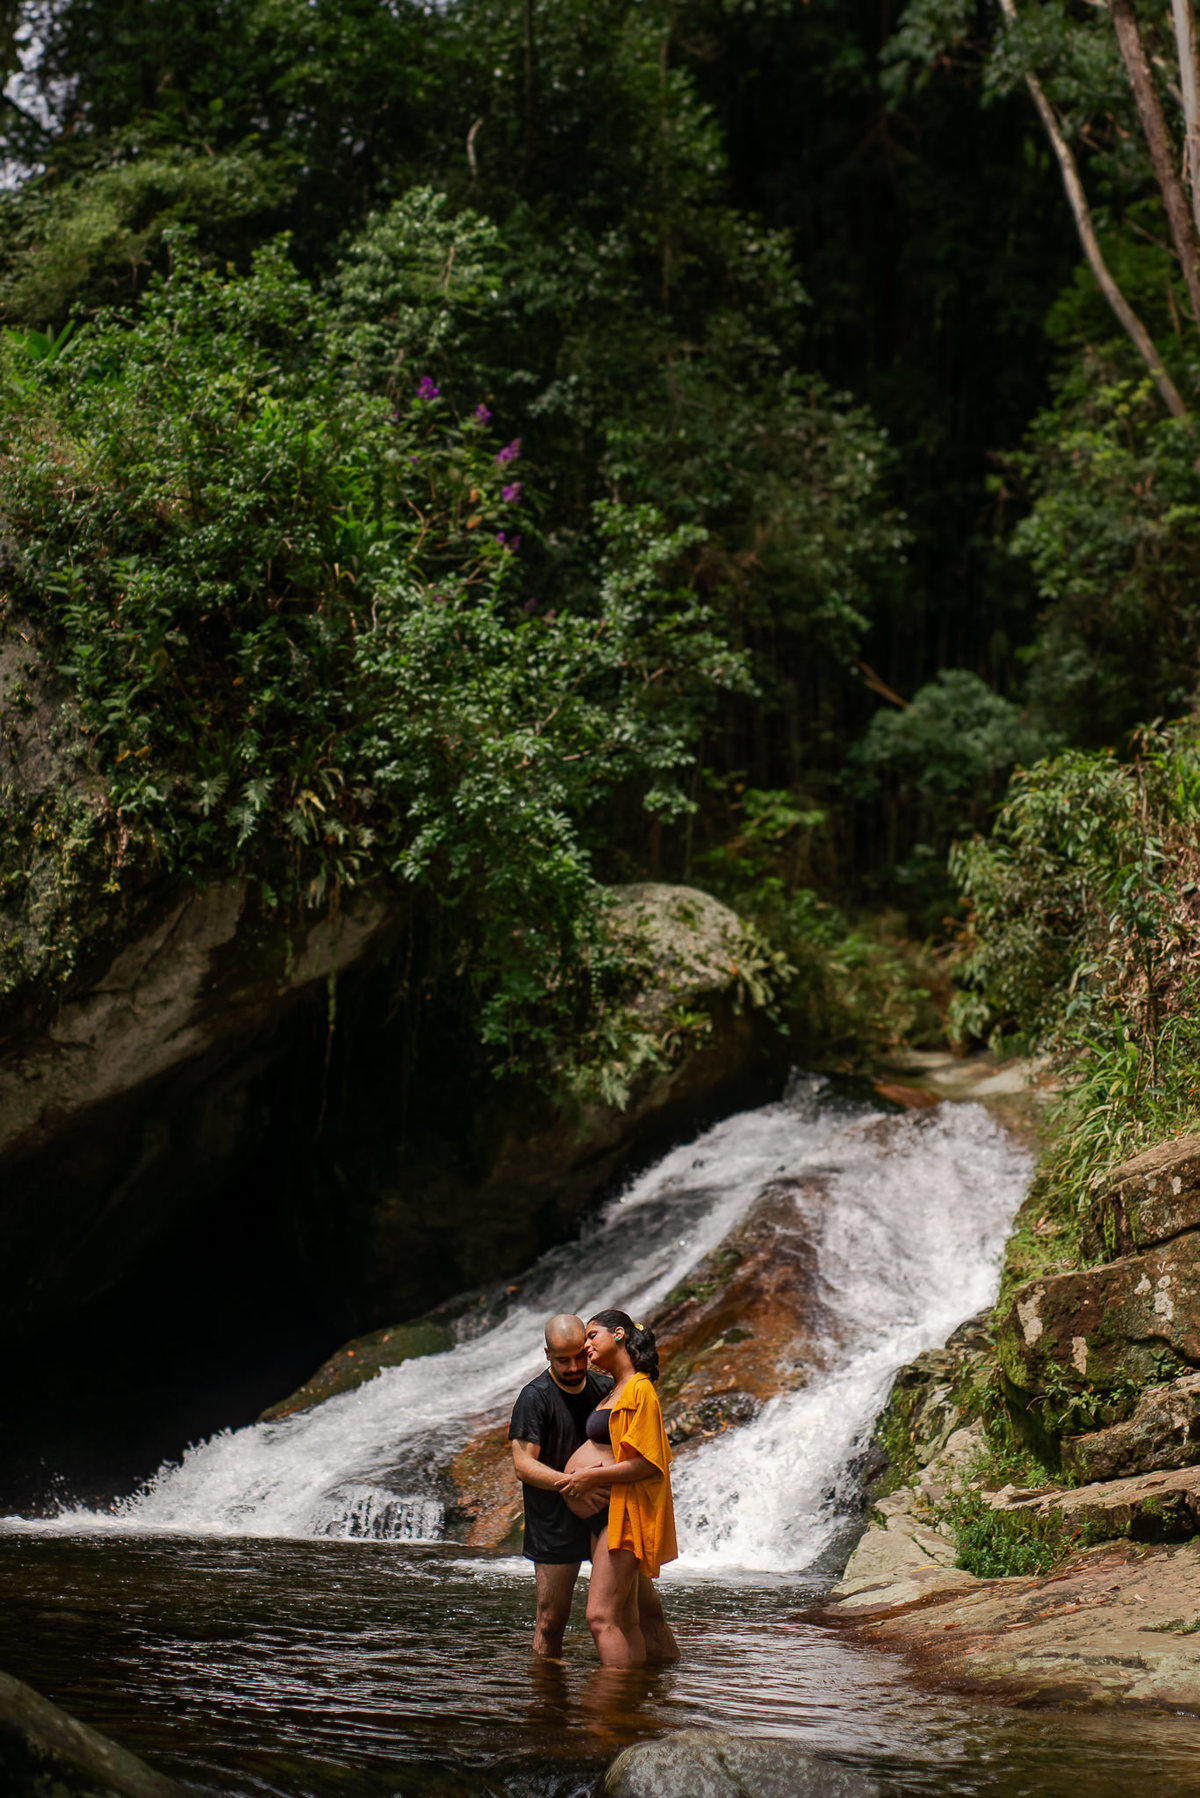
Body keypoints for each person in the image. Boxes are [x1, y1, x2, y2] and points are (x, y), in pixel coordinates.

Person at [558, 1309, 680, 1667]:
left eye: (592, 1335)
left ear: (620, 1334)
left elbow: (648, 1461)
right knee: (626, 1619)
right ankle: (633, 1701)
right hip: (606, 1514)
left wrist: (588, 1477)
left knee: (600, 1617)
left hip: (624, 1514)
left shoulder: (641, 1390)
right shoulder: (618, 1388)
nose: (586, 1344)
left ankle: (611, 1706)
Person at [509, 1313, 612, 1657]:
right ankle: (546, 1702)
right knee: (552, 1622)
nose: (573, 1366)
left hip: (605, 1514)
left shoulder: (605, 1388)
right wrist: (574, 1483)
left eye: (579, 1356)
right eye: (562, 1359)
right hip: (553, 1520)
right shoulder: (534, 1397)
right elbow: (523, 1465)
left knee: (636, 1611)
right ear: (547, 1354)